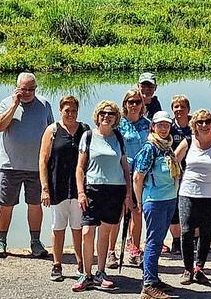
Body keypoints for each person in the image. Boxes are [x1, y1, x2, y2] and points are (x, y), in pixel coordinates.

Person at [0, 72, 54, 258]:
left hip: (37, 166)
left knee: (35, 204)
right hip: (10, 165)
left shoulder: (44, 104)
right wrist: (14, 105)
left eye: (31, 89)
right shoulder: (6, 103)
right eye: (24, 89)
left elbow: (51, 131)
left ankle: (35, 241)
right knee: (5, 204)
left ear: (36, 88)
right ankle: (0, 241)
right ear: (17, 87)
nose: (27, 93)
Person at [72, 101, 133, 292]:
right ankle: (86, 274)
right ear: (97, 116)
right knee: (87, 232)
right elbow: (80, 168)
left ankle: (100, 272)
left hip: (115, 190)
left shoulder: (119, 138)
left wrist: (128, 195)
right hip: (93, 189)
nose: (106, 117)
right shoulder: (88, 136)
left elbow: (125, 168)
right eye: (103, 114)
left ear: (116, 118)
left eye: (111, 114)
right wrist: (81, 192)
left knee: (105, 233)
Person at [175, 109, 211, 286]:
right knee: (186, 231)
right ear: (194, 125)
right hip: (188, 192)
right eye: (200, 122)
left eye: (207, 122)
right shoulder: (188, 141)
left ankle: (199, 268)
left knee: (206, 232)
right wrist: (175, 181)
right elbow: (173, 161)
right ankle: (187, 269)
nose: (204, 125)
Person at [39, 95, 90, 281]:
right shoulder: (52, 130)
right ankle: (57, 264)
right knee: (58, 227)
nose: (70, 114)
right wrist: (45, 188)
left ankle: (80, 264)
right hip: (56, 187)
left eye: (74, 110)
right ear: (61, 110)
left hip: (79, 189)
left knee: (78, 228)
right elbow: (43, 161)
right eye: (67, 110)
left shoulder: (85, 130)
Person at [133, 111, 180, 299]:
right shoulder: (150, 148)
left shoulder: (167, 146)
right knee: (153, 242)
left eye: (166, 125)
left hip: (169, 199)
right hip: (154, 200)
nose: (163, 128)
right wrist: (138, 201)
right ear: (153, 126)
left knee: (159, 241)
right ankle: (148, 284)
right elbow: (138, 177)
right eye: (160, 125)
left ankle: (153, 277)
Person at [115, 89, 150, 268]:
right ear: (125, 104)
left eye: (138, 102)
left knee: (137, 211)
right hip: (122, 172)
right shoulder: (119, 124)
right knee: (118, 212)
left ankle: (135, 249)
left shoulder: (148, 125)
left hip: (142, 174)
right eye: (131, 102)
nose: (134, 105)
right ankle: (111, 252)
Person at [166, 95, 192, 256]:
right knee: (173, 208)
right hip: (173, 173)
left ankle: (194, 238)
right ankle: (176, 240)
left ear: (188, 109)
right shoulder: (169, 127)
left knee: (193, 208)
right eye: (176, 106)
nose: (179, 109)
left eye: (182, 106)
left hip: (193, 173)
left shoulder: (195, 126)